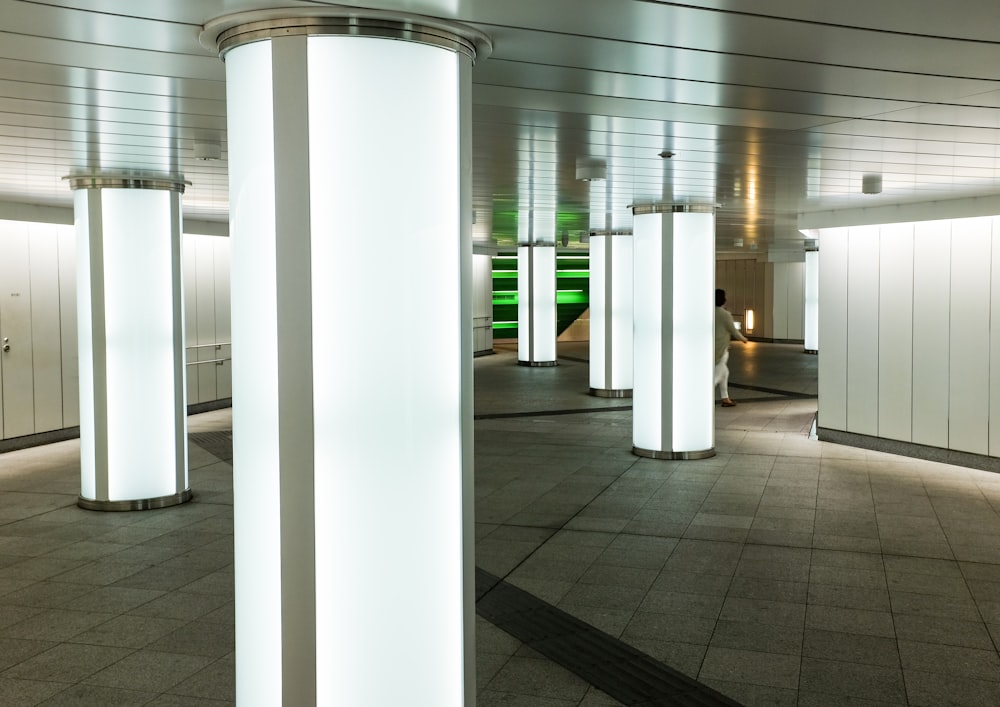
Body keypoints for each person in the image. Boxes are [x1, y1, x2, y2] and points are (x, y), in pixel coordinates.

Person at [715, 288, 747, 407]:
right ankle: (703, 397)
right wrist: (743, 339)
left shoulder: (710, 312)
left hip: (713, 348)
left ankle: (725, 398)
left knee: (724, 373)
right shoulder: (725, 314)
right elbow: (732, 330)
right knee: (717, 375)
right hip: (721, 349)